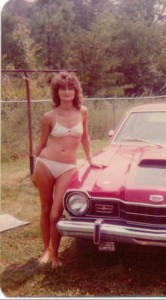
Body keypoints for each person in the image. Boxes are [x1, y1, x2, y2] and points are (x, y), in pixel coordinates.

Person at [32, 71, 98, 268]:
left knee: (55, 214)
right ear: (57, 92)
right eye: (62, 89)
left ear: (76, 91)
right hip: (46, 164)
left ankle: (56, 255)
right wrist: (34, 169)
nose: (67, 92)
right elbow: (41, 144)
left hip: (68, 167)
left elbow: (85, 137)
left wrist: (90, 159)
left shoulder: (83, 112)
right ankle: (47, 251)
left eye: (70, 88)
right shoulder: (49, 116)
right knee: (45, 208)